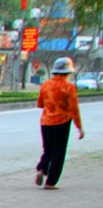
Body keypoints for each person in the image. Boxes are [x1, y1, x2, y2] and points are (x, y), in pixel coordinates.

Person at [35, 57, 84, 189]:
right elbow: (74, 109)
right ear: (68, 72)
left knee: (48, 149)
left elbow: (40, 104)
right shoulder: (69, 87)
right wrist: (79, 127)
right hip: (62, 122)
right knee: (59, 152)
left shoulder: (46, 85)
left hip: (46, 122)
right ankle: (51, 182)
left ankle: (42, 169)